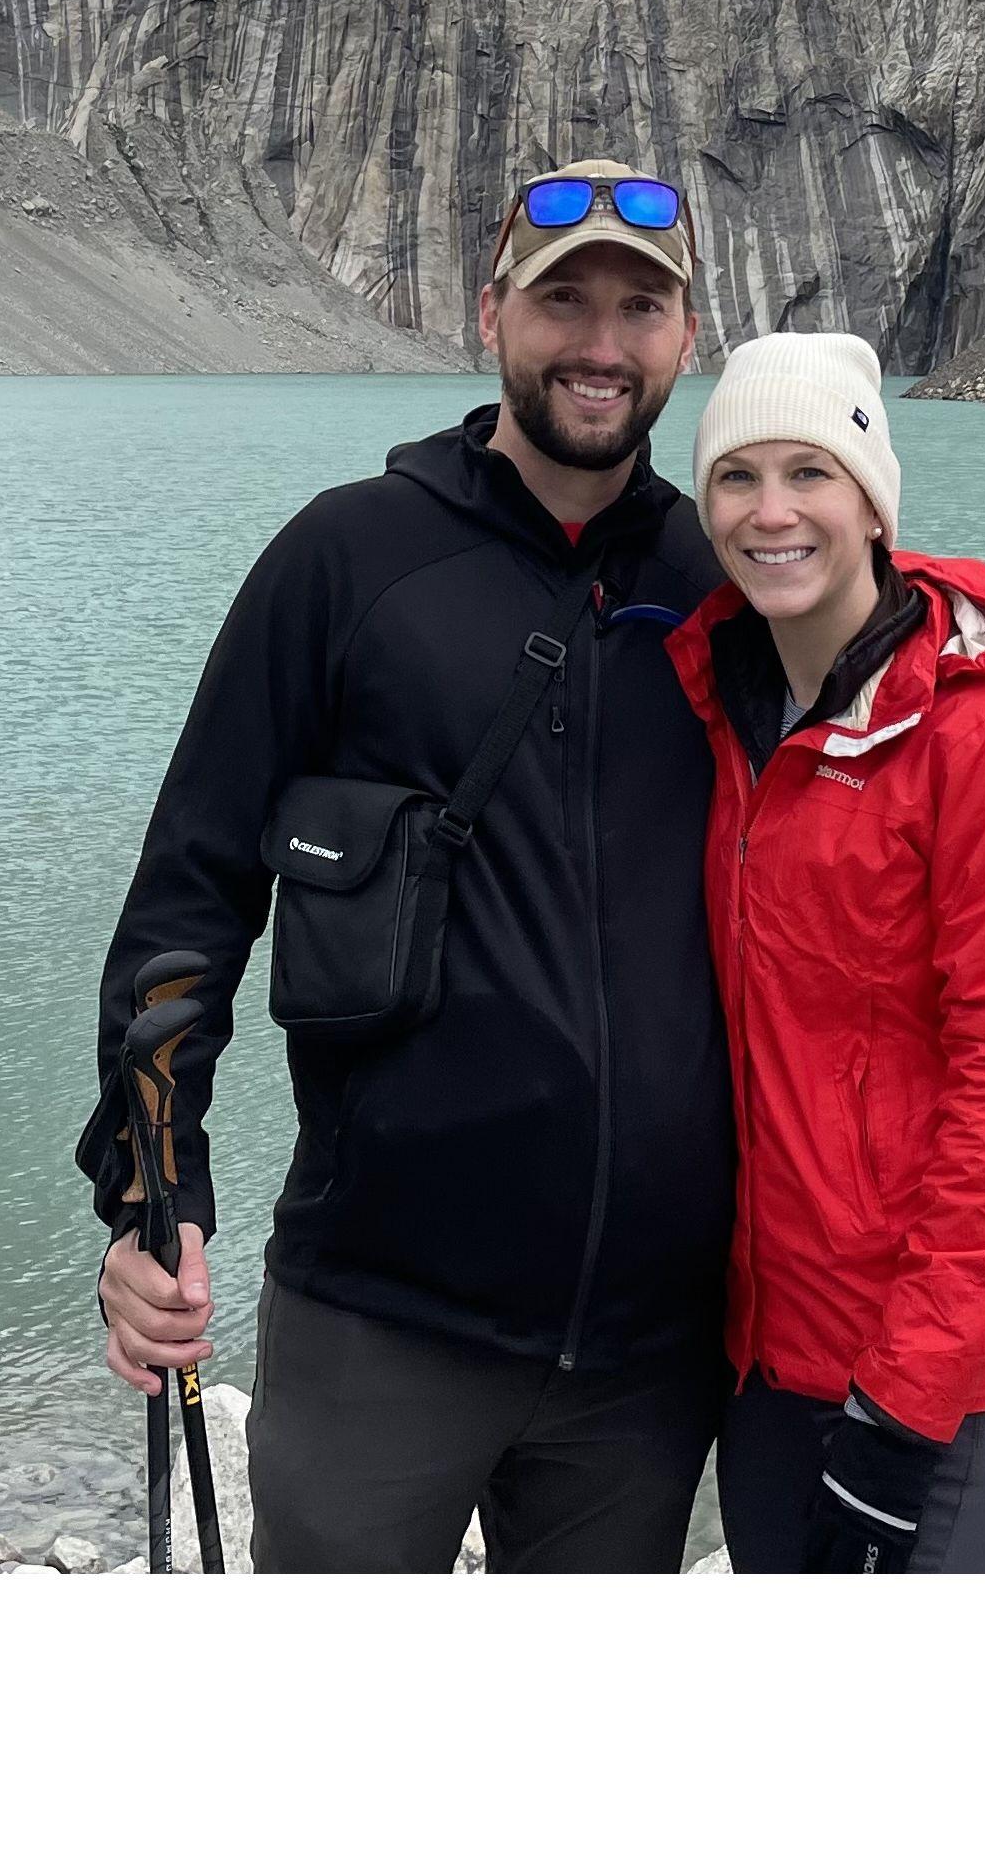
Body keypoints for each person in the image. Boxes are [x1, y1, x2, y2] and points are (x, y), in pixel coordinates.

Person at [79, 158, 734, 1570]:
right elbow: (190, 901)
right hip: (382, 1317)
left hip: (649, 1351)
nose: (602, 345)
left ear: (688, 341)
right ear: (490, 312)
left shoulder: (724, 590)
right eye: (564, 301)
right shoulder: (343, 561)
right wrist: (154, 1197)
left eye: (640, 307)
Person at [665, 331, 985, 1571]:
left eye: (812, 473)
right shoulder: (718, 714)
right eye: (737, 478)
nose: (772, 512)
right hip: (771, 1355)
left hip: (954, 1374)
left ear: (873, 504)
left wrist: (904, 1407)